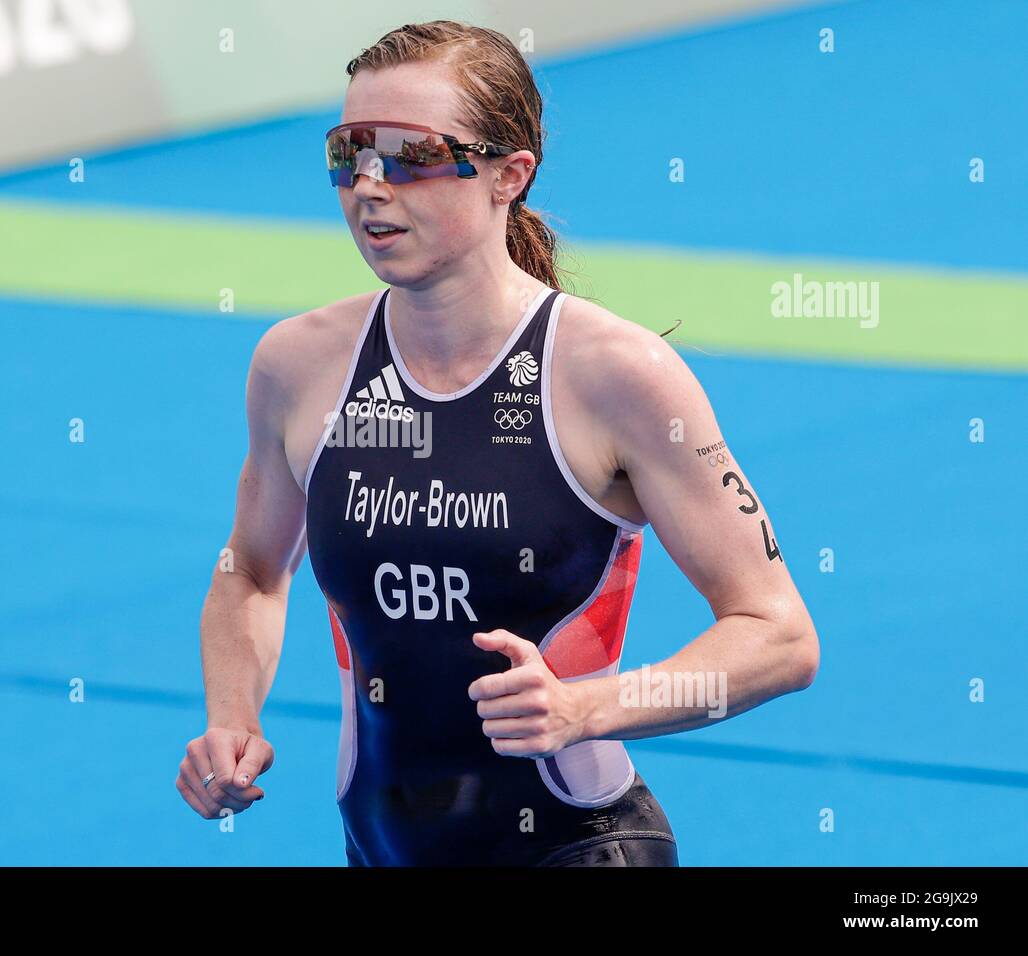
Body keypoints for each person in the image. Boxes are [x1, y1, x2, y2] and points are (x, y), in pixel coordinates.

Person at [178, 20, 819, 866]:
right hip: (379, 842)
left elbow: (779, 636)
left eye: (411, 155)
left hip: (578, 844)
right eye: (350, 151)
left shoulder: (618, 375)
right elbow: (251, 573)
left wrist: (587, 709)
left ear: (509, 175)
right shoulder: (298, 366)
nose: (370, 185)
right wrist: (231, 717)